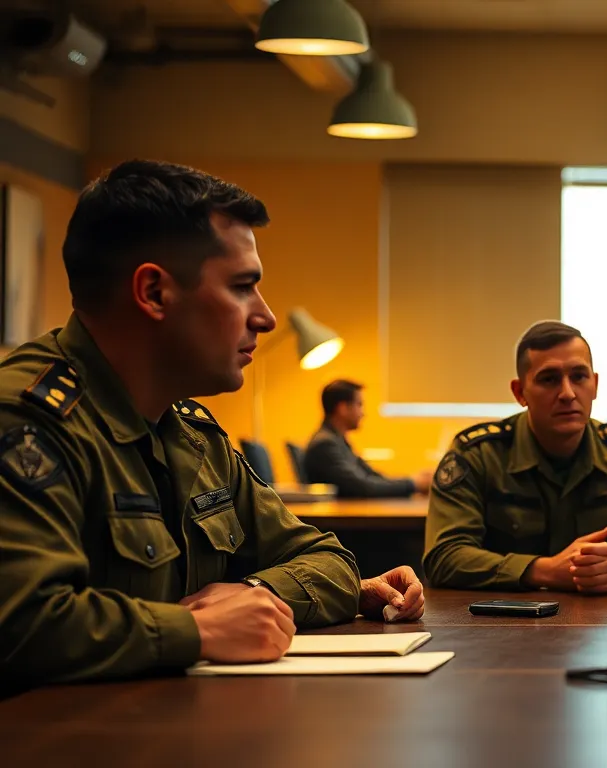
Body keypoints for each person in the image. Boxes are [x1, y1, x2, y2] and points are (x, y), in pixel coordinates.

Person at [0, 160, 424, 693]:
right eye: (243, 287)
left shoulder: (188, 429)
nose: (266, 317)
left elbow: (329, 560)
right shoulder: (28, 420)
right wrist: (196, 630)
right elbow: (21, 626)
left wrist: (250, 593)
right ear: (153, 292)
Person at [422, 321, 607, 592]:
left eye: (579, 376)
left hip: (604, 620)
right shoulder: (478, 453)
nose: (567, 393)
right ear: (520, 392)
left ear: (595, 384)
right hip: (501, 621)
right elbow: (444, 555)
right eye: (549, 379)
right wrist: (543, 571)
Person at [303, 379, 431, 498]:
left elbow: (373, 476)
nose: (363, 413)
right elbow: (363, 487)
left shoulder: (337, 440)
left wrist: (412, 480)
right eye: (359, 405)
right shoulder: (325, 444)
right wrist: (413, 484)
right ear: (343, 408)